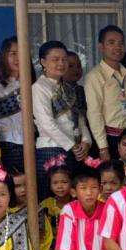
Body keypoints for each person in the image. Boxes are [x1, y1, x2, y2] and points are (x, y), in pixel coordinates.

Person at [33, 40, 91, 199]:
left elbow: (79, 117)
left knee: (70, 198)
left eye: (64, 59)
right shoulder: (39, 88)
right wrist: (72, 146)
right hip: (51, 148)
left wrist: (86, 142)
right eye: (55, 59)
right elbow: (46, 124)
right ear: (43, 62)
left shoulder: (67, 87)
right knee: (50, 198)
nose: (61, 63)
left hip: (73, 149)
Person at [85, 25, 126, 161]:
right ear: (101, 47)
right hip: (109, 139)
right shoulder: (95, 76)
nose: (118, 47)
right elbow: (94, 113)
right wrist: (103, 148)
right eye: (111, 43)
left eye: (121, 43)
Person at [0, 36, 26, 173]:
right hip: (5, 143)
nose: (18, 58)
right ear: (4, 56)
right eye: (13, 54)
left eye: (22, 53)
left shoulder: (30, 82)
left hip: (30, 142)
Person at [39, 155, 73, 250]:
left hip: (72, 247)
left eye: (64, 182)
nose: (60, 186)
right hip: (52, 247)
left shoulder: (76, 204)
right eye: (55, 183)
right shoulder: (45, 205)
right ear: (50, 185)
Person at [64, 50, 88, 118]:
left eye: (79, 66)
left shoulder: (82, 90)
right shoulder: (58, 91)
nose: (76, 69)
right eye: (70, 66)